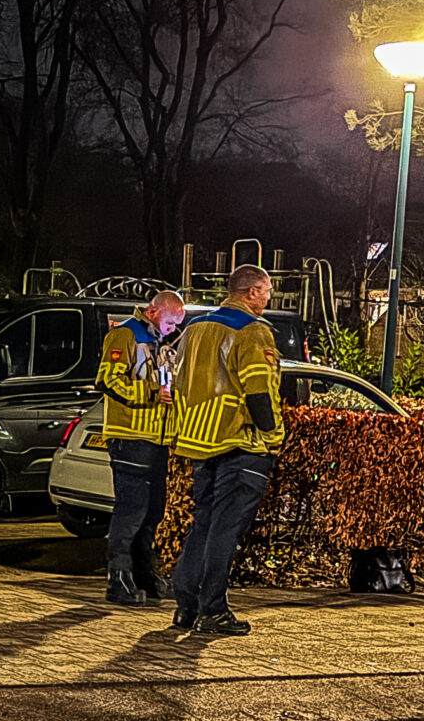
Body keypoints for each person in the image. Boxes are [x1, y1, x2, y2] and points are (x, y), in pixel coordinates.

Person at [168, 265, 284, 637]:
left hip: (199, 441)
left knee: (203, 524)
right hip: (240, 441)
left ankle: (186, 605)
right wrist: (273, 436)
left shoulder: (196, 328)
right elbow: (259, 392)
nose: (269, 297)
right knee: (225, 530)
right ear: (251, 292)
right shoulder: (252, 331)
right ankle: (213, 609)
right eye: (267, 291)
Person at [95, 286, 185, 607]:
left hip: (156, 440)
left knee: (153, 511)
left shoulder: (159, 343)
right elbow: (108, 379)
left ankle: (144, 576)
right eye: (171, 324)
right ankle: (117, 578)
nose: (174, 331)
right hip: (130, 437)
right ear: (154, 312)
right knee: (131, 510)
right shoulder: (124, 336)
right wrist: (150, 395)